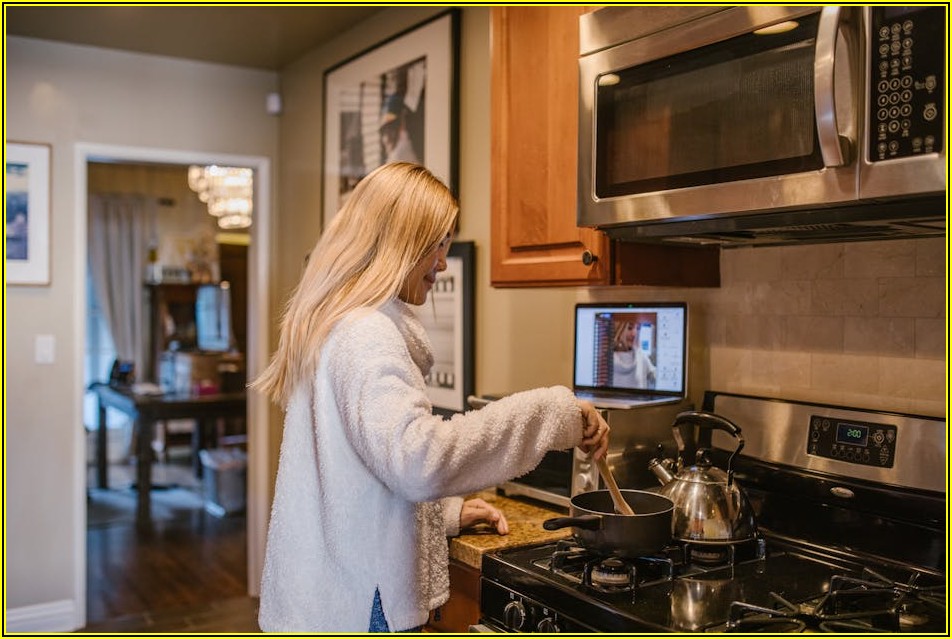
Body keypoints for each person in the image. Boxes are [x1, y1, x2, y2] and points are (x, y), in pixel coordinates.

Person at [252, 162, 610, 633]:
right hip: (365, 608)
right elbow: (420, 460)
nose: (443, 262)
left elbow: (361, 475)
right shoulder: (366, 334)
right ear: (401, 243)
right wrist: (553, 412)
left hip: (330, 600)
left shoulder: (335, 324)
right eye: (438, 245)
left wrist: (444, 514)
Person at [612, 320, 656, 389]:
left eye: (637, 328)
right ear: (618, 329)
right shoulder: (605, 359)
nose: (634, 334)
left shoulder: (640, 355)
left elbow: (655, 376)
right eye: (630, 328)